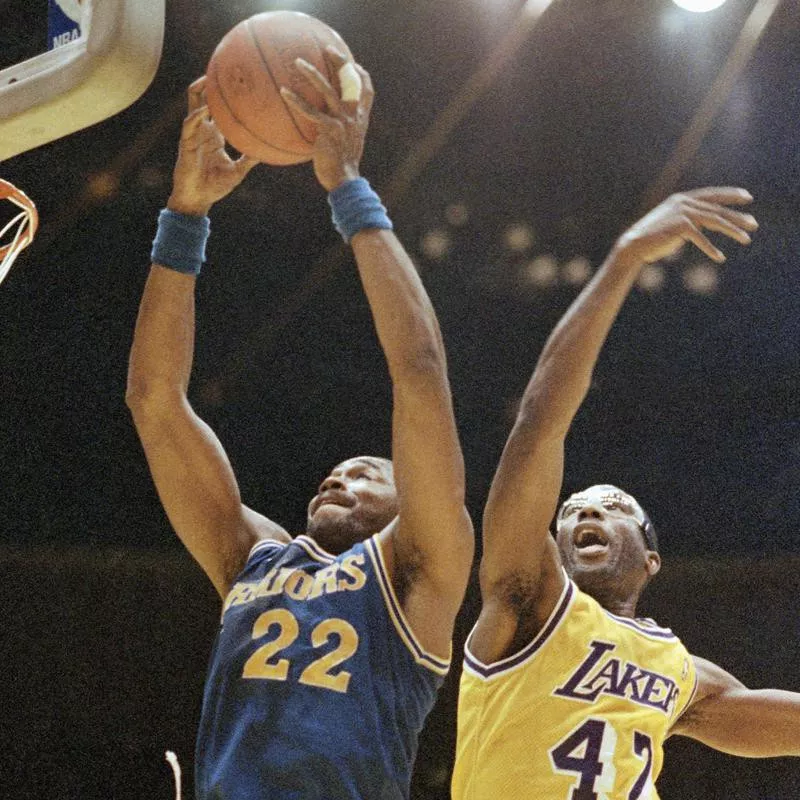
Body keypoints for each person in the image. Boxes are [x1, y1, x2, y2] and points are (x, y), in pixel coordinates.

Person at [126, 50, 473, 800]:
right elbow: (155, 400)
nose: (341, 473)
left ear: (412, 498)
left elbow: (418, 371)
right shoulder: (253, 556)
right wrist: (185, 213)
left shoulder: (419, 572)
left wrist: (348, 188)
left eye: (368, 470)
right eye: (336, 469)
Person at [452, 188, 800, 798]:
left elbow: (766, 718)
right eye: (571, 511)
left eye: (614, 508)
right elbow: (540, 421)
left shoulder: (677, 670)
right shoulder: (526, 601)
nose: (586, 509)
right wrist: (625, 258)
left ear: (651, 560)